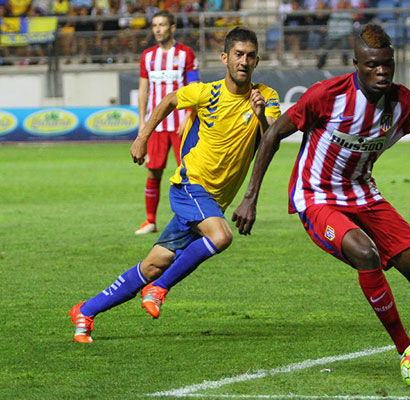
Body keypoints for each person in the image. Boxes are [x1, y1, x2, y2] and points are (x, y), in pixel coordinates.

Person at [232, 23, 410, 371]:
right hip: (316, 196)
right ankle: (408, 353)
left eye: (387, 64)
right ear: (356, 63)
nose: (382, 71)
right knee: (366, 253)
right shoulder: (325, 95)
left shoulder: (403, 102)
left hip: (363, 194)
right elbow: (272, 136)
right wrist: (250, 198)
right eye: (373, 65)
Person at [69, 26, 281, 343]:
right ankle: (161, 288)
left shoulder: (265, 97)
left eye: (250, 56)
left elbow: (271, 140)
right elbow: (169, 100)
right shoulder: (205, 93)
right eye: (238, 54)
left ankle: (85, 311)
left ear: (257, 61)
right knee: (221, 236)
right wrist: (142, 137)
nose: (244, 61)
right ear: (225, 57)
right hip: (190, 187)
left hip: (211, 202)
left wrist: (261, 116)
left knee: (154, 264)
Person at [135, 10, 199, 235]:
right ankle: (150, 221)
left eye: (162, 25)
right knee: (153, 172)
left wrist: (189, 115)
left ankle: (194, 218)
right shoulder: (147, 56)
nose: (158, 29)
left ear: (172, 28)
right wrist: (142, 122)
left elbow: (194, 88)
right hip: (157, 126)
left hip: (181, 124)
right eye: (154, 25)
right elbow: (144, 89)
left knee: (189, 172)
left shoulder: (186, 54)